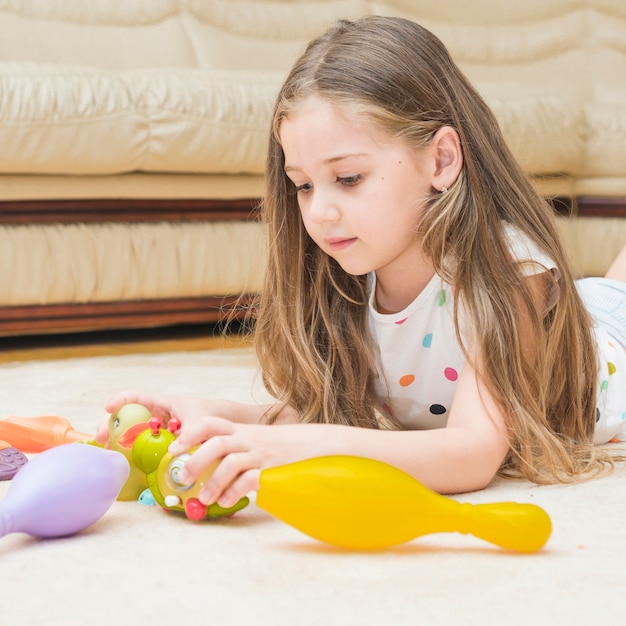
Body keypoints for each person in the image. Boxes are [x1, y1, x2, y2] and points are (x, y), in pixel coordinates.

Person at [98, 16, 626, 509]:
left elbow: (471, 454)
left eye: (348, 178)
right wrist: (217, 419)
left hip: (607, 340)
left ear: (441, 160)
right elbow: (334, 419)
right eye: (303, 185)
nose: (320, 212)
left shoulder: (509, 269)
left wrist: (291, 449)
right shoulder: (346, 274)